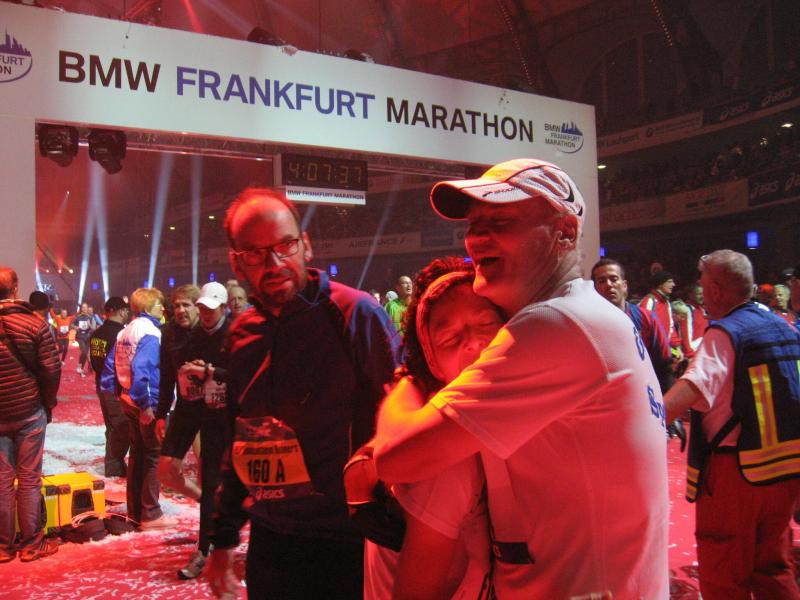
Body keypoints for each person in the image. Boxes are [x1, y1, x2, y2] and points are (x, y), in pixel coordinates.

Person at [372, 158, 669, 598]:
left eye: (501, 222)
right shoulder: (588, 314)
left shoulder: (557, 323)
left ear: (565, 231)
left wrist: (407, 381)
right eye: (474, 224)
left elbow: (397, 458)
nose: (477, 238)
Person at [207, 188, 401, 600]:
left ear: (306, 245)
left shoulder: (356, 314)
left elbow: (404, 417)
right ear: (236, 262)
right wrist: (222, 537)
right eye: (256, 253)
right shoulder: (242, 334)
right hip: (272, 540)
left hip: (347, 539)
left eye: (285, 245)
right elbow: (238, 441)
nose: (274, 263)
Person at [349, 257, 503, 600]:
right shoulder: (444, 457)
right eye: (450, 337)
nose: (474, 343)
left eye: (486, 323)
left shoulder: (485, 420)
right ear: (431, 361)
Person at [664, 250, 800, 599]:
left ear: (716, 290)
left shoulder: (725, 333)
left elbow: (689, 391)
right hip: (785, 472)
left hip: (735, 474)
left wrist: (645, 416)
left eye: (703, 283)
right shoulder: (782, 325)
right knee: (774, 569)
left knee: (724, 573)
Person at [101, 287, 176, 530]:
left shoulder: (125, 331)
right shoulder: (151, 332)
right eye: (159, 304)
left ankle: (135, 510)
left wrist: (119, 394)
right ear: (148, 307)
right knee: (153, 456)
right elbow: (142, 369)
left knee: (137, 454)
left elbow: (110, 367)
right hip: (146, 402)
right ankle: (151, 513)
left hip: (128, 400)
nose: (162, 308)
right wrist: (146, 405)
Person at [0, 267, 61, 562]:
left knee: (1, 480)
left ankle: (3, 546)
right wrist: (47, 402)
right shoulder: (35, 324)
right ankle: (31, 544)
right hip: (28, 410)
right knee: (29, 478)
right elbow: (51, 369)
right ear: (15, 289)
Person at [171, 281, 230, 580]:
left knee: (248, 488)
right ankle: (204, 549)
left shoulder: (235, 333)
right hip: (210, 421)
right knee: (210, 485)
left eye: (212, 308)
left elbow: (244, 374)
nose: (206, 313)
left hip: (238, 423)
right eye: (203, 308)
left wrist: (209, 371)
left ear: (224, 307)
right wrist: (192, 370)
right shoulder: (196, 335)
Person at [154, 285, 202, 503]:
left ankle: (210, 513)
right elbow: (166, 377)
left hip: (212, 408)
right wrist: (161, 415)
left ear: (198, 307)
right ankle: (205, 501)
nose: (181, 310)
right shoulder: (169, 333)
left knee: (208, 468)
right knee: (166, 471)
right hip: (185, 406)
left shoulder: (210, 329)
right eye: (177, 306)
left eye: (186, 305)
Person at [88, 296, 131, 477]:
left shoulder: (96, 334)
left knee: (112, 426)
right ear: (121, 311)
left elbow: (94, 361)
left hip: (101, 385)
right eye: (126, 310)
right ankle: (114, 466)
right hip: (116, 387)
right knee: (121, 427)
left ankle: (114, 463)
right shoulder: (122, 335)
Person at [640, 270, 683, 358]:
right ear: (660, 284)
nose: (673, 284)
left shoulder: (667, 303)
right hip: (651, 353)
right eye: (669, 282)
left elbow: (671, 328)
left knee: (680, 358)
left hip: (665, 350)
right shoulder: (649, 301)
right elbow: (642, 328)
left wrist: (677, 348)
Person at [71, 302, 96, 377]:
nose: (84, 308)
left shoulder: (90, 317)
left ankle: (80, 369)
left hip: (87, 337)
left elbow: (94, 328)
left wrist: (89, 325)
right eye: (83, 307)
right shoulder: (78, 317)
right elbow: (72, 324)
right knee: (84, 352)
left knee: (85, 355)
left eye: (85, 307)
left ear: (87, 308)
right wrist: (75, 327)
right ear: (81, 308)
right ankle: (79, 367)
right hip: (80, 337)